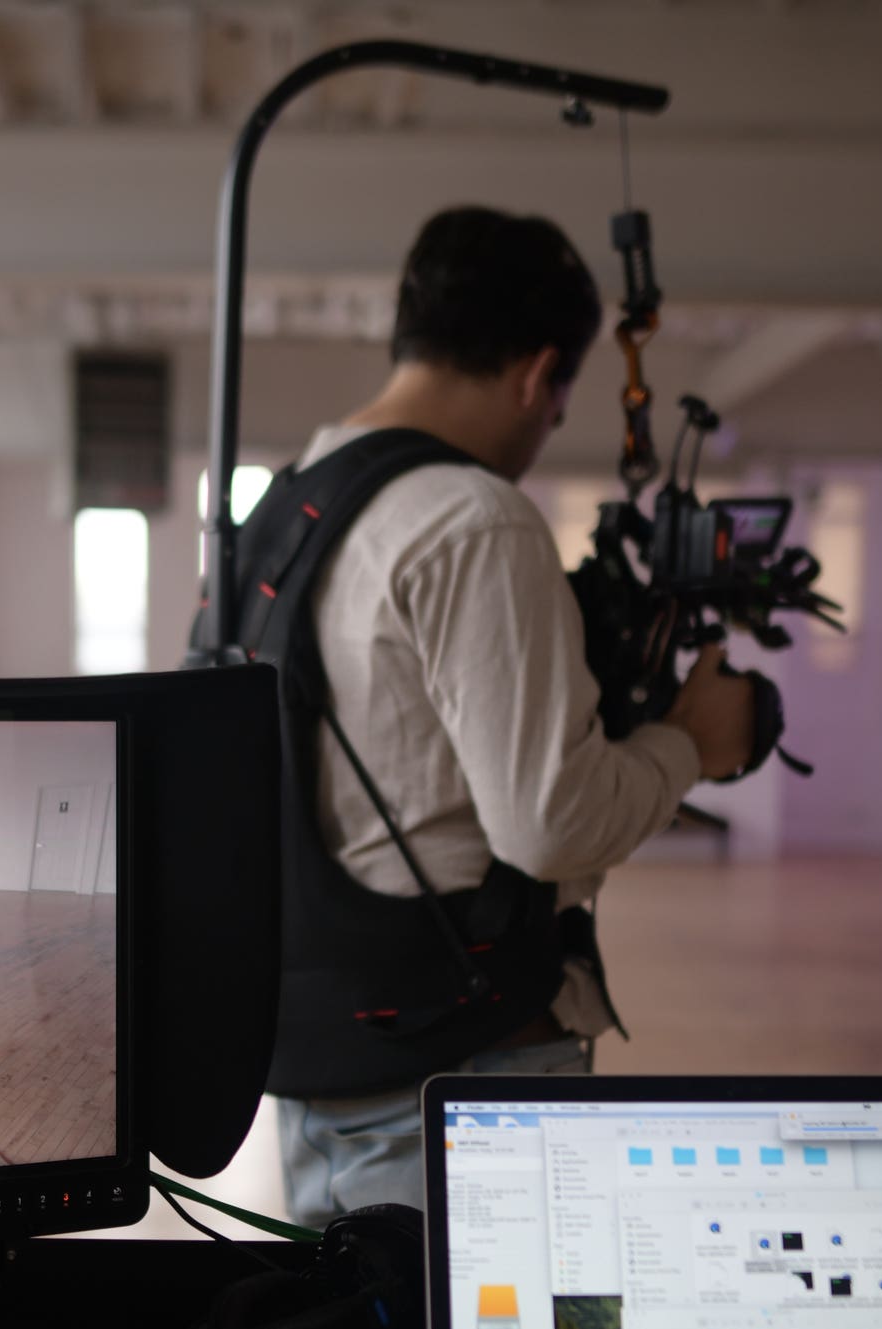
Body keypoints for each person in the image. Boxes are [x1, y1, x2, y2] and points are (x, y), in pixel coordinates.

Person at [262, 206, 757, 1225]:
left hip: (321, 1055)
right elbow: (549, 825)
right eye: (561, 400)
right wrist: (692, 744)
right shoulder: (473, 517)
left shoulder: (284, 506)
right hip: (459, 1064)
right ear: (540, 374)